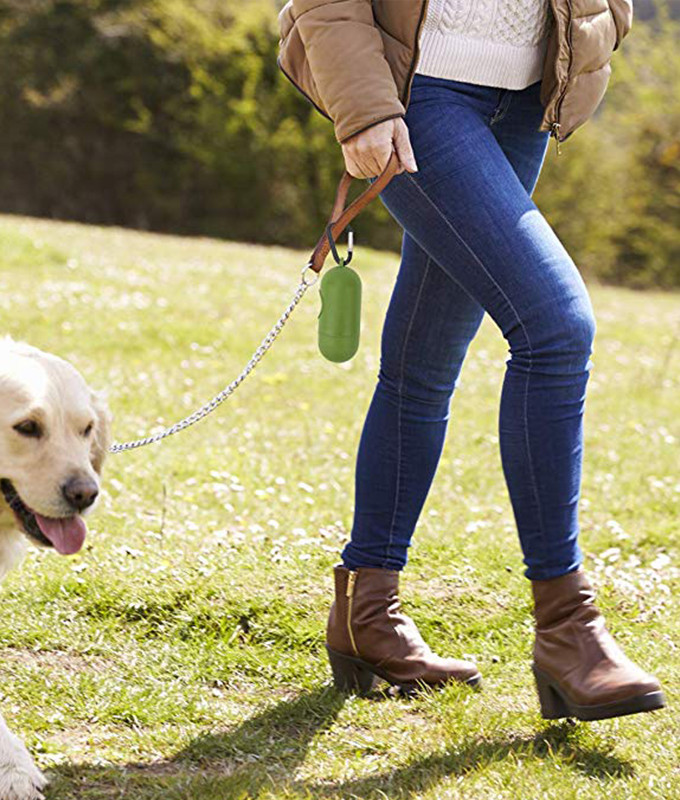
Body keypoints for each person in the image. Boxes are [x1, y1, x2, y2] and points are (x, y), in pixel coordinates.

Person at [278, 0, 667, 721]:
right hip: (416, 91)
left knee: (421, 365)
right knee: (555, 328)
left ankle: (369, 609)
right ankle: (568, 629)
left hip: (525, 99)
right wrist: (363, 106)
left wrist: (601, 28)